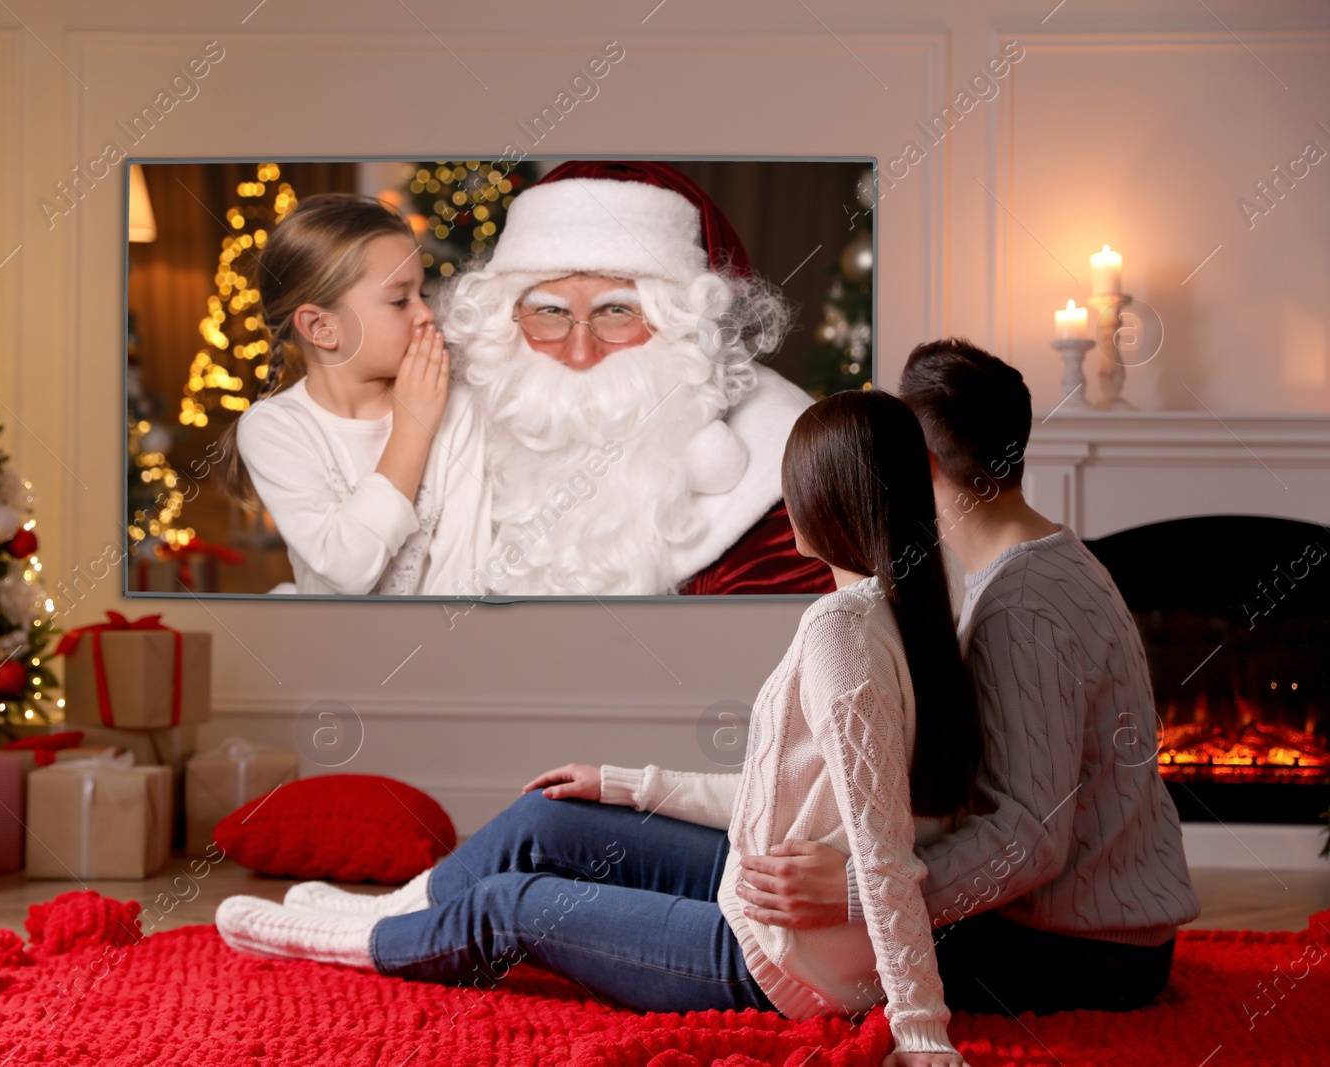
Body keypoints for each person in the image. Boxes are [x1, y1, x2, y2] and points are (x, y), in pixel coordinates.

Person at [217, 389, 983, 1067]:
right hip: (774, 912)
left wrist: (921, 1031)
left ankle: (335, 942)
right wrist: (622, 784)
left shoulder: (839, 630)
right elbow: (782, 791)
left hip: (777, 965)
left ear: (824, 498)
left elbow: (882, 858)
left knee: (513, 904)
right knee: (553, 813)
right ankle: (385, 909)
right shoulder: (903, 616)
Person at [734, 339, 1201, 1015]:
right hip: (1098, 932)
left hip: (1086, 954)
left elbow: (1031, 840)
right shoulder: (1047, 560)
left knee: (803, 945)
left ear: (918, 463)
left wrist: (854, 891)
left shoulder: (1021, 604)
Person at [437, 160, 834, 596]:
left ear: (680, 325)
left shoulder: (785, 481)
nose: (580, 354)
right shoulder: (459, 433)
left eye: (616, 311)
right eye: (551, 312)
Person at [218, 194, 492, 595]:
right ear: (321, 327)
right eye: (400, 300)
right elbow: (347, 570)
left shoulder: (459, 408)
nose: (426, 314)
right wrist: (412, 428)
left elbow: (463, 574)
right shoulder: (273, 430)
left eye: (424, 294)